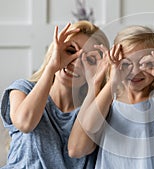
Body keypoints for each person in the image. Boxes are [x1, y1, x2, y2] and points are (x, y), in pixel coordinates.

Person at [0, 20, 110, 168]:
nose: (76, 63)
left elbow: (77, 149)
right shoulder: (22, 89)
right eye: (70, 51)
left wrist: (96, 84)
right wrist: (52, 66)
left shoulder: (96, 110)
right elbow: (25, 124)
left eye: (88, 59)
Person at [68, 25, 154, 169]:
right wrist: (113, 81)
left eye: (145, 63)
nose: (136, 71)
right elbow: (89, 126)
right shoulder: (111, 98)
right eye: (126, 64)